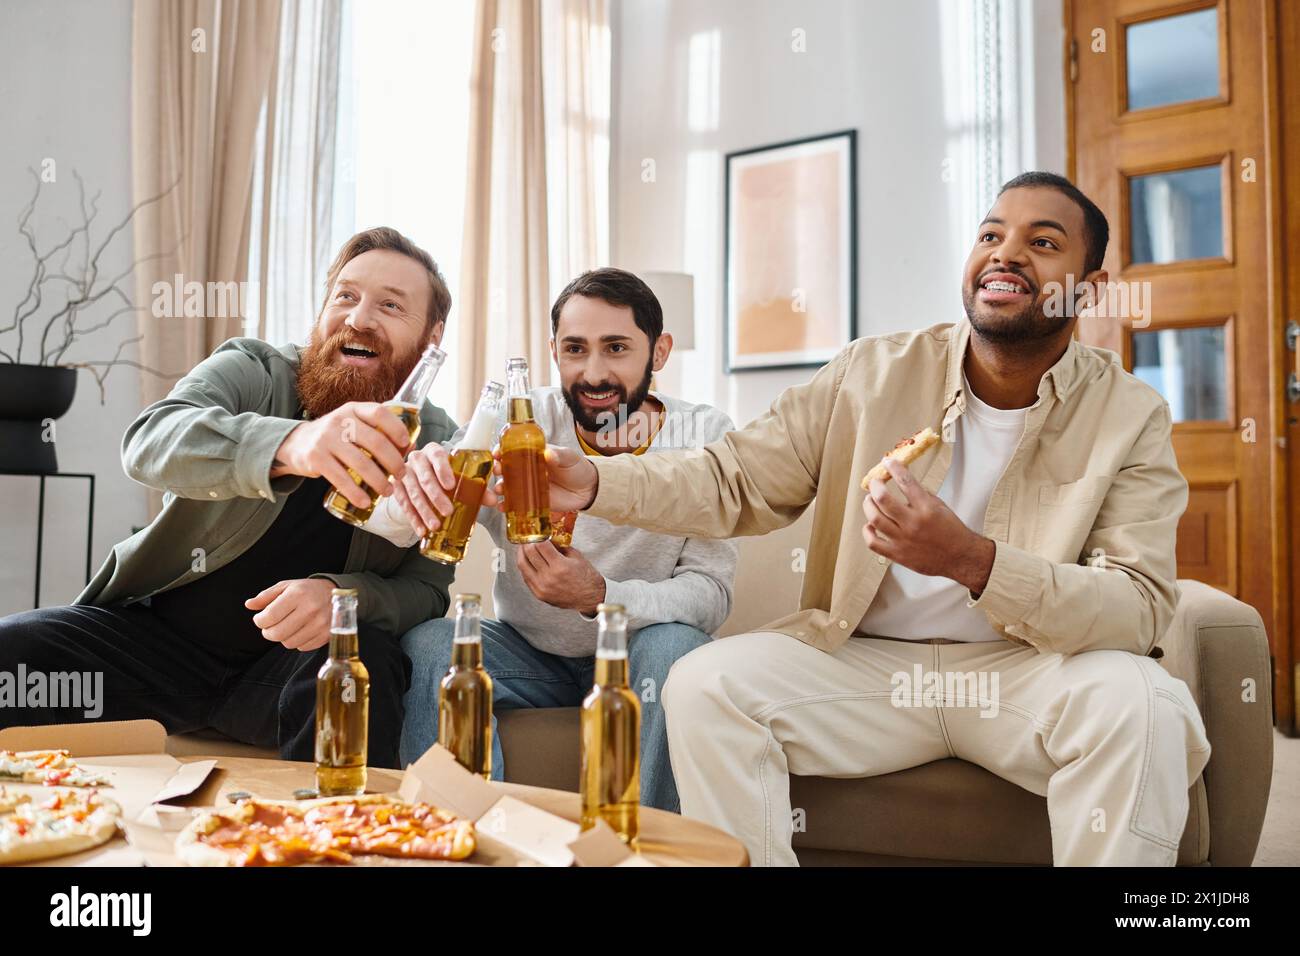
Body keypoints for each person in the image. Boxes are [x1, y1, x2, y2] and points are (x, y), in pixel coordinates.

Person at [487, 173, 1211, 865]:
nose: (1006, 253)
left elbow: (1138, 607)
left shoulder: (1129, 414)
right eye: (991, 233)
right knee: (705, 685)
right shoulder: (871, 372)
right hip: (867, 665)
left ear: (1091, 288)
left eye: (1043, 242)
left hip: (1032, 671)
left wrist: (974, 562)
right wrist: (593, 481)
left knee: (1145, 704)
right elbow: (731, 478)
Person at [0, 227, 456, 769]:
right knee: (12, 655)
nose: (359, 319)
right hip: (155, 648)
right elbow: (149, 440)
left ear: (431, 338)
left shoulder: (437, 440)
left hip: (282, 677)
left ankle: (333, 842)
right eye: (346, 296)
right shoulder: (253, 369)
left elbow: (427, 589)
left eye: (390, 305)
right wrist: (290, 444)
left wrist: (343, 595)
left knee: (361, 660)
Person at [376, 268, 736, 812]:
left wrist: (602, 596)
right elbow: (403, 517)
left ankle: (642, 851)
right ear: (554, 352)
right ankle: (456, 836)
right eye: (575, 349)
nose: (594, 372)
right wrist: (425, 476)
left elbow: (711, 596)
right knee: (432, 642)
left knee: (675, 648)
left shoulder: (704, 436)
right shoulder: (517, 419)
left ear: (659, 352)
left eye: (616, 348)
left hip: (639, 654)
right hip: (530, 657)